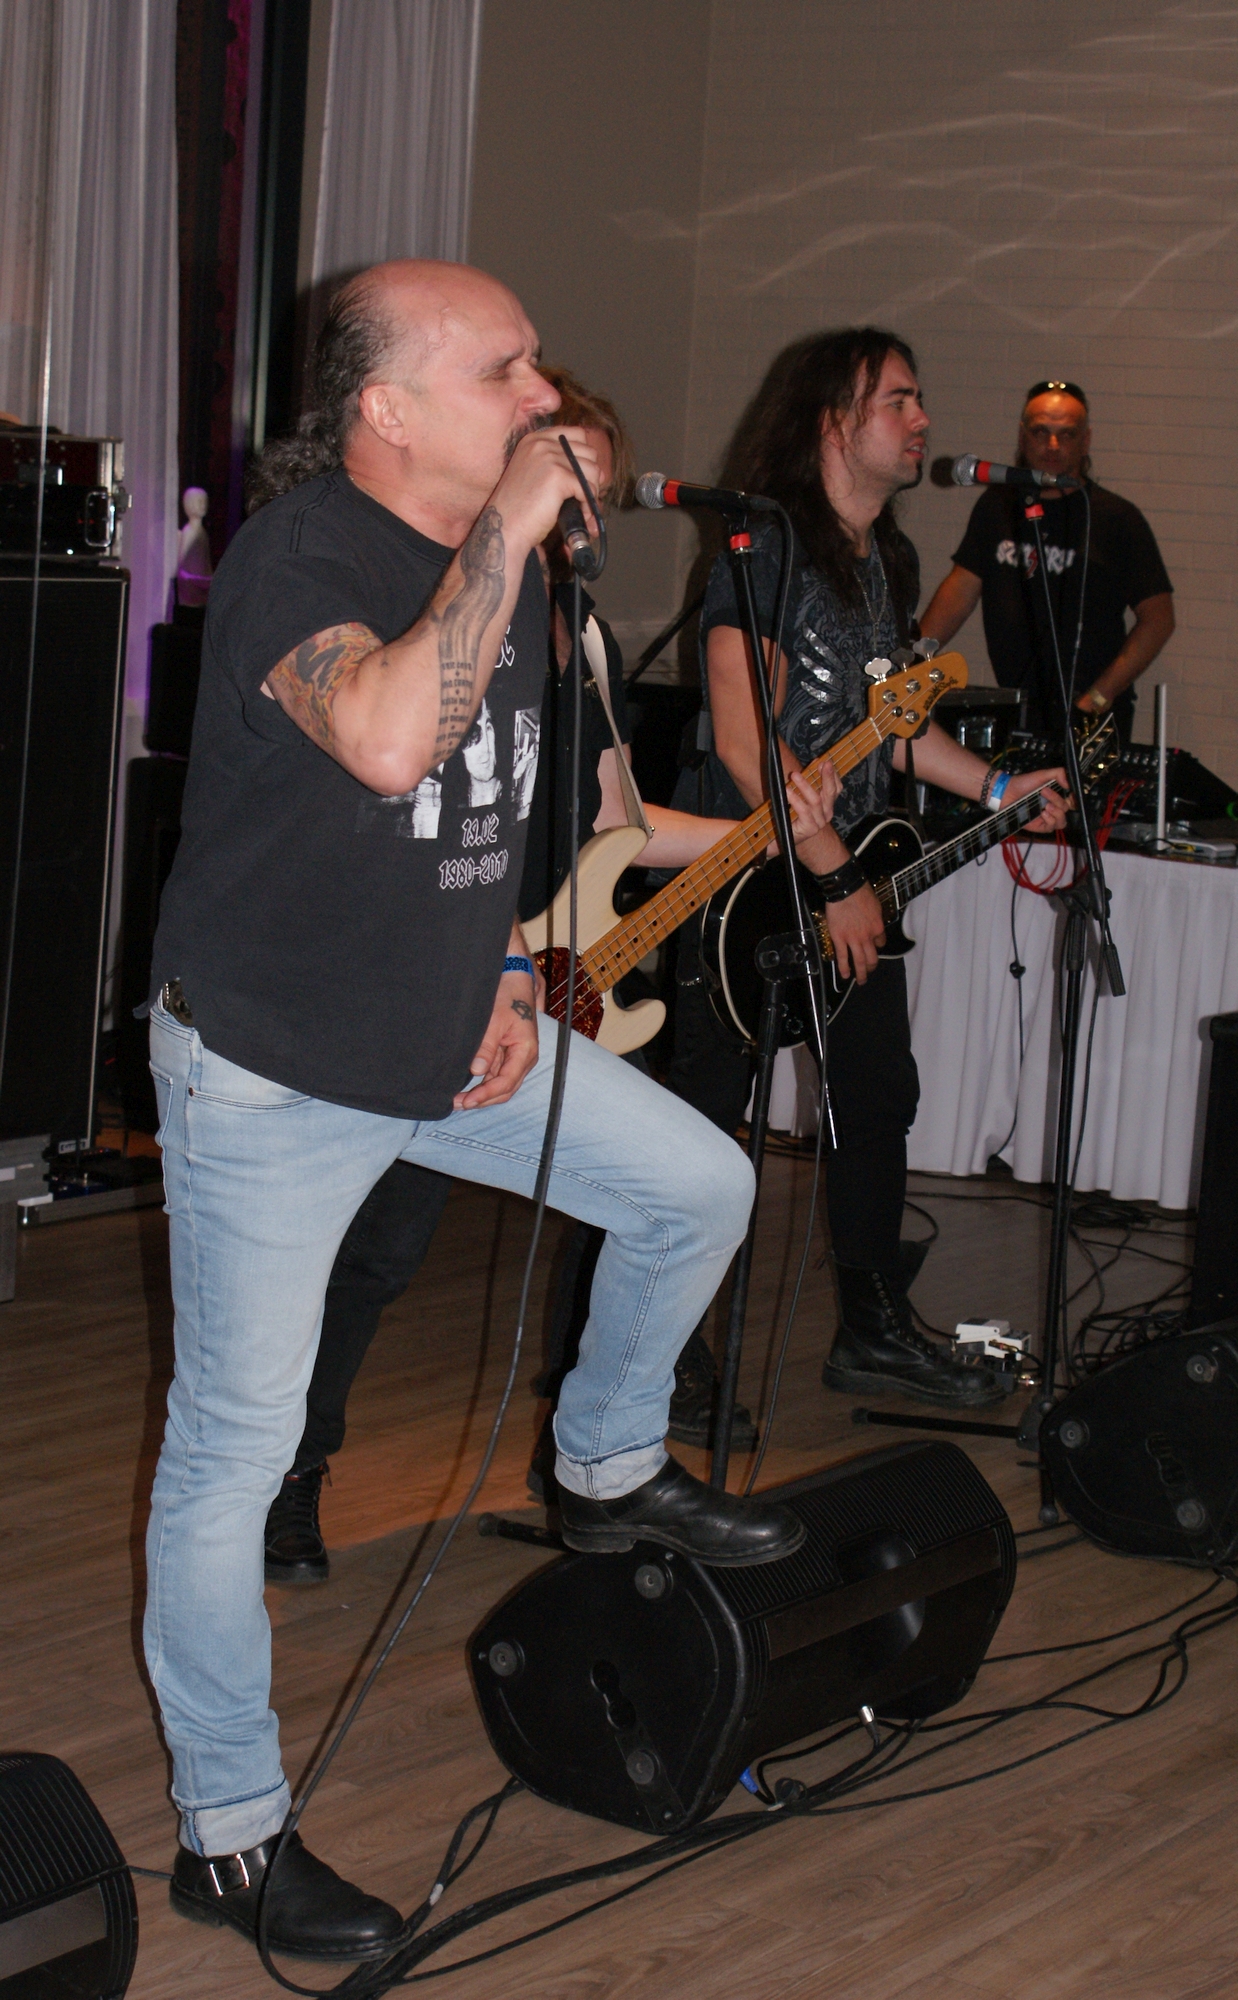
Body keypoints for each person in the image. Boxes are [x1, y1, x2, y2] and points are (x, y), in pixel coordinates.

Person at [144, 260, 812, 1964]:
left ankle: (602, 1461)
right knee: (233, 1451)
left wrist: (512, 968)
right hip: (274, 1072)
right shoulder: (302, 556)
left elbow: (491, 823)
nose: (541, 396)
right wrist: (506, 532)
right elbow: (384, 745)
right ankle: (229, 1836)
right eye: (503, 370)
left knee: (695, 1188)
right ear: (383, 410)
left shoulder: (507, 578)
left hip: (450, 1043)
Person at [263, 365, 835, 1589]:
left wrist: (767, 833)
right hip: (388, 981)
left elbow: (613, 820)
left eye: (597, 495)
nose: (583, 517)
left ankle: (600, 1463)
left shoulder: (574, 633)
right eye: (565, 482)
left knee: (422, 1238)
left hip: (499, 985)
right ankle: (288, 1469)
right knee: (352, 1252)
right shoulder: (421, 603)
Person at [667, 328, 1070, 1408]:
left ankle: (873, 1329)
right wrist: (836, 875)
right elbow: (745, 740)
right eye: (897, 399)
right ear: (831, 422)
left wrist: (997, 786)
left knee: (876, 1093)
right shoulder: (765, 547)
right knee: (697, 1120)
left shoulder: (883, 561)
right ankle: (654, 1350)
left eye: (918, 398)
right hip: (742, 882)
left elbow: (893, 730)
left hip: (843, 868)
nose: (921, 418)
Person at [919, 379, 1174, 741]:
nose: (1052, 445)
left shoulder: (1116, 518)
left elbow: (1159, 618)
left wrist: (1097, 698)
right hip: (1018, 709)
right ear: (1023, 436)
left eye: (1066, 434)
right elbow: (961, 590)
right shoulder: (998, 506)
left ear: (1086, 440)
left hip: (1090, 713)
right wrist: (914, 662)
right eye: (1041, 432)